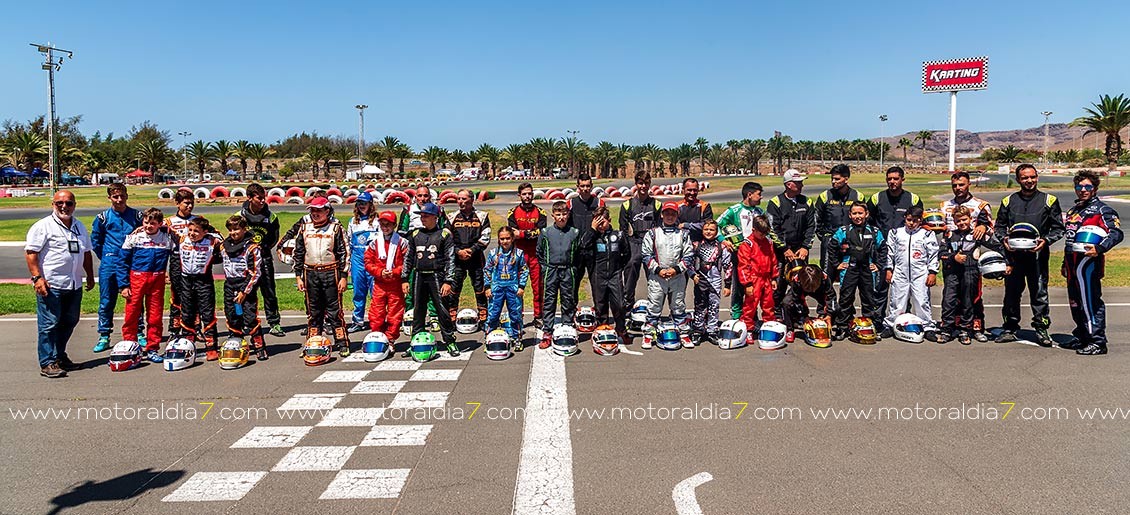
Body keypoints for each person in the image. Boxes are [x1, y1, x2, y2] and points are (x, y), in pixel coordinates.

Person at [26, 190, 95, 378]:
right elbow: (31, 253)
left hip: (73, 284)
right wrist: (37, 278)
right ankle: (47, 362)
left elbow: (86, 253)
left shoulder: (79, 226)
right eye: (59, 203)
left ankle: (59, 356)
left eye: (69, 203)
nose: (64, 207)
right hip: (51, 284)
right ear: (53, 204)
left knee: (70, 321)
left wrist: (89, 275)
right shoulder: (43, 226)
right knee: (49, 324)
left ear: (75, 205)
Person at [994, 164, 1064, 346]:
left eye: (1032, 177)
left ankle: (1041, 328)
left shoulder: (1049, 200)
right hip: (1013, 257)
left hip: (1037, 257)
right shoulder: (1008, 201)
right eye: (1025, 177)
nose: (1029, 180)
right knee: (1011, 294)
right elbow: (999, 227)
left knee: (1039, 294)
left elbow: (1059, 228)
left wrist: (1046, 241)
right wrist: (1004, 240)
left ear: (1037, 177)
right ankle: (1010, 328)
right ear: (1018, 179)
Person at [1061, 170, 1124, 355]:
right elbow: (1070, 240)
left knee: (1090, 301)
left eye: (1087, 187)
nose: (1083, 190)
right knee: (1075, 302)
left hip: (1088, 264)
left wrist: (1100, 248)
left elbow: (1116, 233)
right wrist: (1064, 264)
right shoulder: (1074, 211)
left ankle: (1097, 341)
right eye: (1079, 187)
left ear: (1095, 188)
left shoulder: (1103, 210)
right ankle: (1082, 335)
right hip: (1072, 264)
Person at [293, 197, 351, 357]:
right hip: (310, 273)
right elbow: (298, 253)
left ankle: (342, 343)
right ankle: (312, 343)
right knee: (313, 311)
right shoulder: (304, 228)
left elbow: (344, 253)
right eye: (312, 210)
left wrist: (343, 276)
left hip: (331, 272)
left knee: (334, 311)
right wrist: (298, 276)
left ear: (327, 211)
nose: (315, 213)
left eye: (318, 210)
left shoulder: (336, 228)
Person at [865, 166, 922, 330]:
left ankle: (904, 319)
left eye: (895, 179)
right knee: (880, 287)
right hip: (882, 251)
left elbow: (920, 221)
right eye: (889, 179)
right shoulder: (877, 198)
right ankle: (878, 321)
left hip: (905, 250)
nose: (892, 182)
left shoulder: (913, 199)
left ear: (902, 179)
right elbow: (868, 221)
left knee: (904, 288)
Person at [941, 171, 994, 341]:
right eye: (955, 185)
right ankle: (951, 327)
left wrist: (984, 227)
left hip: (971, 259)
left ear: (969, 184)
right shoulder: (944, 205)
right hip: (951, 256)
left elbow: (990, 230)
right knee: (950, 296)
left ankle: (975, 327)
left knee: (972, 295)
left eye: (961, 184)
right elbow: (936, 227)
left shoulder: (980, 205)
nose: (958, 188)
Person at [402, 202, 460, 357]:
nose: (423, 218)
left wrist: (448, 281)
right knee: (418, 311)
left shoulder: (444, 235)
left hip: (437, 276)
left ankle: (450, 341)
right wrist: (405, 278)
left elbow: (450, 259)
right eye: (421, 215)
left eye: (426, 216)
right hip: (419, 276)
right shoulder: (415, 234)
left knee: (442, 311)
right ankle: (415, 342)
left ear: (435, 217)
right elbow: (408, 258)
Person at [939, 206, 1003, 345]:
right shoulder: (949, 235)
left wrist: (1007, 262)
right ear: (954, 221)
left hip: (971, 272)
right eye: (958, 221)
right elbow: (941, 253)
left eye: (964, 219)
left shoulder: (977, 234)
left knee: (968, 301)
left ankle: (965, 330)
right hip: (952, 273)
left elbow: (997, 246)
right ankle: (946, 329)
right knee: (948, 301)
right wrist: (953, 257)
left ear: (970, 219)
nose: (962, 223)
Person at [91, 182, 142, 352]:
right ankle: (104, 335)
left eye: (122, 196)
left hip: (132, 262)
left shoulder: (137, 216)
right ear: (109, 198)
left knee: (135, 299)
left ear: (127, 196)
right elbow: (96, 241)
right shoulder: (102, 218)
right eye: (115, 196)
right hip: (110, 262)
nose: (119, 199)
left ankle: (139, 331)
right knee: (106, 300)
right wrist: (107, 256)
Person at [119, 208, 175, 362]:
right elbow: (122, 262)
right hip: (136, 279)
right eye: (146, 222)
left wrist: (170, 275)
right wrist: (123, 285)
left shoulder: (167, 239)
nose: (148, 226)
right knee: (131, 315)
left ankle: (152, 348)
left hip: (157, 280)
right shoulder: (134, 237)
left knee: (155, 316)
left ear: (160, 224)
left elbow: (178, 256)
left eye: (153, 223)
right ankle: (130, 346)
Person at [828, 202, 885, 341]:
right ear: (850, 215)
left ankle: (870, 326)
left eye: (860, 213)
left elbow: (883, 248)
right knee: (846, 299)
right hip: (849, 269)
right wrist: (836, 264)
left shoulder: (874, 231)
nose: (857, 216)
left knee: (869, 299)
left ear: (867, 214)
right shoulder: (844, 231)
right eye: (854, 213)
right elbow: (832, 247)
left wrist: (878, 265)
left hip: (867, 269)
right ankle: (842, 327)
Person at [641, 202, 694, 349]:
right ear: (662, 215)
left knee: (678, 305)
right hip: (658, 276)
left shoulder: (683, 234)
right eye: (667, 213)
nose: (670, 216)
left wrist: (677, 269)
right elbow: (646, 254)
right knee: (654, 305)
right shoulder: (652, 233)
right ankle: (648, 334)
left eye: (673, 214)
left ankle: (683, 333)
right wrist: (658, 270)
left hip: (677, 276)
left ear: (677, 215)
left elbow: (689, 255)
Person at [882, 207, 940, 342]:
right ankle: (891, 324)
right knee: (897, 301)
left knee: (922, 301)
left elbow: (933, 255)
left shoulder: (927, 234)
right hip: (900, 272)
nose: (911, 223)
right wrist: (889, 269)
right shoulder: (895, 233)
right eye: (909, 220)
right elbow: (889, 253)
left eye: (915, 220)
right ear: (905, 218)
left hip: (920, 272)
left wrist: (932, 272)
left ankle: (928, 327)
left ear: (920, 220)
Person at [766, 169, 816, 320]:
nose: (801, 185)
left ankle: (798, 314)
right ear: (788, 185)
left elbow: (812, 226)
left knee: (800, 283)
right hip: (781, 252)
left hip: (801, 251)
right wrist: (784, 248)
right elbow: (772, 229)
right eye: (798, 183)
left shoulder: (807, 202)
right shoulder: (775, 203)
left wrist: (805, 247)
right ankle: (777, 315)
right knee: (779, 284)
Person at [239, 183, 285, 337]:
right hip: (245, 261)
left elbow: (274, 238)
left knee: (269, 292)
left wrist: (262, 249)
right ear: (249, 198)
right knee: (246, 292)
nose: (263, 201)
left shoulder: (271, 217)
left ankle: (274, 323)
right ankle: (246, 323)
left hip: (264, 258)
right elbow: (235, 235)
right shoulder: (240, 216)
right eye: (259, 198)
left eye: (264, 198)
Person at [580, 206, 630, 342]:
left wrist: (619, 267)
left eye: (602, 222)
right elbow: (582, 245)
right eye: (597, 222)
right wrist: (592, 229)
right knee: (600, 305)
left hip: (615, 274)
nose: (600, 225)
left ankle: (621, 329)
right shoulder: (592, 236)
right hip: (598, 274)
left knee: (620, 304)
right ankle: (602, 329)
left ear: (609, 220)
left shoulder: (618, 235)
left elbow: (627, 253)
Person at [220, 215, 267, 360]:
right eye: (230, 230)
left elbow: (255, 272)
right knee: (231, 316)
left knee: (250, 317)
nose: (233, 233)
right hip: (230, 284)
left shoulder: (252, 247)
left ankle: (259, 346)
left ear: (244, 229)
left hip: (246, 285)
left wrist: (243, 291)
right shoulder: (224, 246)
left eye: (236, 229)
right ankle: (237, 343)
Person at [175, 217, 222, 360]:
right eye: (190, 230)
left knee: (207, 313)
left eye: (196, 231)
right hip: (186, 280)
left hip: (204, 280)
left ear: (205, 232)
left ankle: (211, 347)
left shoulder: (213, 241)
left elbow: (228, 243)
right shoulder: (181, 238)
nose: (192, 233)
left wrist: (212, 230)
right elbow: (164, 228)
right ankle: (188, 344)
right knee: (187, 313)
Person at [717, 181, 765, 320]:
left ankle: (752, 317)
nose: (761, 197)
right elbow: (717, 224)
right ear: (749, 195)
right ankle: (736, 317)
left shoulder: (760, 212)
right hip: (739, 255)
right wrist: (723, 240)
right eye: (759, 194)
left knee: (754, 287)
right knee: (738, 287)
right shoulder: (734, 210)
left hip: (756, 256)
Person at [537, 201, 581, 349]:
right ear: (553, 216)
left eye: (564, 214)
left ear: (568, 215)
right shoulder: (546, 232)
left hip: (568, 270)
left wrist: (573, 268)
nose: (561, 217)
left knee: (568, 299)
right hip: (551, 270)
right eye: (558, 214)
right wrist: (545, 268)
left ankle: (567, 326)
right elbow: (539, 252)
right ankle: (547, 331)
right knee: (549, 300)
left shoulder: (574, 232)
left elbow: (578, 253)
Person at [446, 189, 491, 326]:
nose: (461, 202)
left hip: (476, 257)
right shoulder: (451, 216)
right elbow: (446, 239)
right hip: (457, 259)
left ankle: (484, 318)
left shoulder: (482, 216)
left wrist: (471, 250)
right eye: (459, 199)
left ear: (472, 200)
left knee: (480, 288)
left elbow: (486, 237)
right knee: (454, 288)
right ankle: (451, 318)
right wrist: (458, 251)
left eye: (464, 199)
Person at [813, 164, 864, 279]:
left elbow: (863, 221)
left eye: (837, 179)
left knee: (850, 278)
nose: (833, 182)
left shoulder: (857, 196)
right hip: (829, 243)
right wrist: (825, 237)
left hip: (851, 245)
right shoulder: (825, 196)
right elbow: (817, 220)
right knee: (826, 277)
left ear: (846, 179)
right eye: (832, 178)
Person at [364, 211, 409, 343]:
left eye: (388, 224)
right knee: (376, 312)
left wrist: (395, 272)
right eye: (382, 224)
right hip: (380, 283)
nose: (385, 227)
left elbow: (407, 263)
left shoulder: (402, 242)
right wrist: (379, 272)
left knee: (395, 313)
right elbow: (367, 262)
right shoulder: (374, 242)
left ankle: (390, 339)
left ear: (394, 225)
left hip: (396, 283)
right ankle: (377, 336)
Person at [619, 170, 660, 311]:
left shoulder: (656, 204)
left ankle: (654, 308)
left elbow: (660, 228)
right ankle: (628, 307)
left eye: (646, 183)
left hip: (651, 244)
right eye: (640, 183)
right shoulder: (627, 205)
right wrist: (625, 249)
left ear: (650, 184)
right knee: (630, 275)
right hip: (633, 242)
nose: (643, 186)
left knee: (654, 279)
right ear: (636, 184)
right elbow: (623, 229)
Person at [507, 183, 547, 325]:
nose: (527, 196)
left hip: (536, 254)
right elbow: (513, 233)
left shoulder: (541, 212)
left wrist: (523, 234)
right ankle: (518, 316)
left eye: (529, 193)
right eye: (524, 194)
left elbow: (541, 232)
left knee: (538, 287)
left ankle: (538, 316)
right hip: (519, 255)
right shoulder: (512, 212)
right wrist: (529, 234)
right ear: (519, 195)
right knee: (517, 287)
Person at [484, 226, 528, 348]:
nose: (505, 241)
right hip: (497, 288)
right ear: (498, 239)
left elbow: (524, 270)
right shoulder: (493, 253)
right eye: (502, 239)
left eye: (508, 238)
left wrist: (521, 286)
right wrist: (487, 287)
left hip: (513, 288)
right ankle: (489, 337)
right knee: (493, 314)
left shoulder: (518, 253)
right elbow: (487, 270)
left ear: (512, 238)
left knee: (515, 314)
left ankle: (517, 337)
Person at [690, 219, 731, 345]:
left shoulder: (722, 247)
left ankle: (712, 330)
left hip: (715, 281)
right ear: (702, 231)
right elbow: (688, 262)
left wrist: (727, 285)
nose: (708, 232)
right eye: (706, 229)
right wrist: (693, 275)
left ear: (716, 232)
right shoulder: (696, 245)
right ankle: (698, 329)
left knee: (714, 305)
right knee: (700, 304)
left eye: (712, 230)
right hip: (700, 280)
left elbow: (728, 266)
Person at [736, 215, 777, 331]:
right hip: (754, 279)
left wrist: (774, 277)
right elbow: (743, 266)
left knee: (769, 304)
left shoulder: (768, 242)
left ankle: (769, 326)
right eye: (761, 233)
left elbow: (773, 260)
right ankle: (747, 328)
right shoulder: (747, 244)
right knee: (750, 305)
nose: (763, 236)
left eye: (765, 233)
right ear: (753, 230)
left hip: (766, 278)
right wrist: (748, 284)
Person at [346, 191, 379, 332]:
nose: (361, 205)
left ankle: (377, 321)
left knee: (375, 293)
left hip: (373, 261)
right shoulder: (353, 222)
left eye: (364, 203)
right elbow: (348, 243)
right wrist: (348, 264)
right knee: (358, 292)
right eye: (359, 203)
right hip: (357, 260)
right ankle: (357, 321)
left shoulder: (377, 221)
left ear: (370, 204)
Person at [165, 189, 197, 336]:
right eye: (186, 203)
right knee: (177, 293)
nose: (190, 206)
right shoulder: (168, 222)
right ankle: (174, 328)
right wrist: (164, 270)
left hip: (194, 260)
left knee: (194, 294)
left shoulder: (198, 220)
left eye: (192, 203)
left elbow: (214, 237)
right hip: (177, 259)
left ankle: (194, 326)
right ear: (177, 203)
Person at [567, 173, 604, 300]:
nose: (585, 189)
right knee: (573, 284)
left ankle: (599, 311)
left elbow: (604, 226)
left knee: (597, 284)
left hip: (594, 249)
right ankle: (571, 309)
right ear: (577, 186)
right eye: (582, 186)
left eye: (588, 186)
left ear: (591, 186)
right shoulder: (571, 204)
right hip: (577, 251)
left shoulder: (599, 203)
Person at [779, 263, 835, 343]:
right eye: (809, 288)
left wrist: (829, 314)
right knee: (786, 302)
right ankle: (790, 329)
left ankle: (823, 318)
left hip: (820, 290)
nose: (811, 290)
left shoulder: (825, 278)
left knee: (835, 308)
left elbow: (831, 297)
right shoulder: (796, 280)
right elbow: (797, 300)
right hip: (801, 290)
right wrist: (804, 316)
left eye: (812, 288)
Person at [677, 178, 714, 243]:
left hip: (700, 243)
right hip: (680, 242)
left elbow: (707, 226)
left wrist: (686, 225)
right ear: (683, 189)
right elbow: (674, 225)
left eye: (695, 190)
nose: (692, 193)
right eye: (689, 190)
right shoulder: (677, 206)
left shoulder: (704, 206)